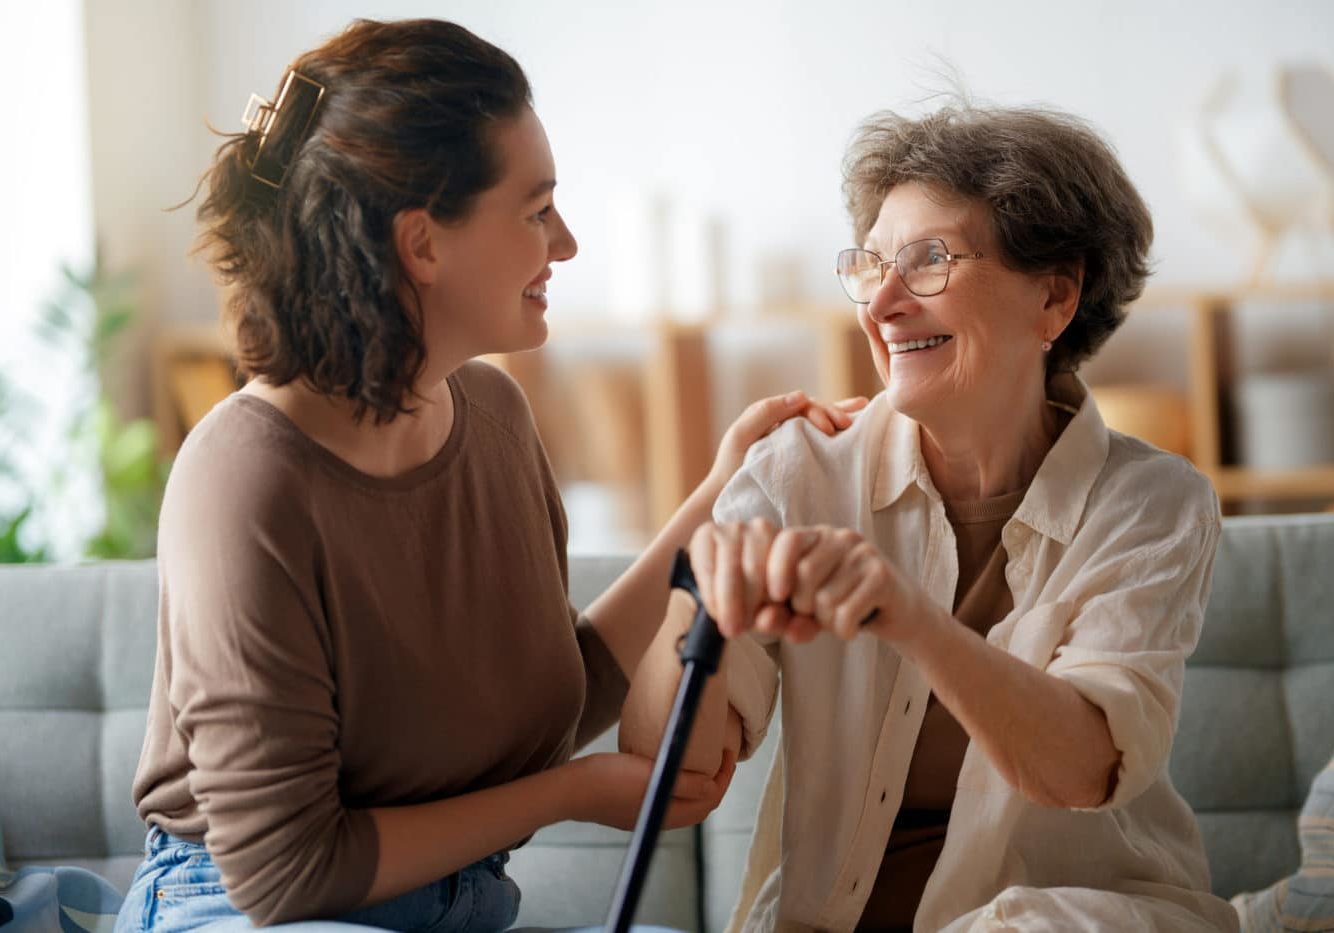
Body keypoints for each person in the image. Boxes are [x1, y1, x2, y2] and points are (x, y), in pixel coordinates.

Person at [114, 18, 863, 933]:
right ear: (423, 244)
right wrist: (571, 793)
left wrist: (723, 487)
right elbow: (286, 874)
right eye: (536, 209)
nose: (568, 243)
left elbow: (553, 694)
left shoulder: (496, 417)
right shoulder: (243, 479)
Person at [621, 102, 1240, 932]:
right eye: (870, 266)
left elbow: (1086, 766)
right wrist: (698, 596)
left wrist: (912, 619)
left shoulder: (1154, 505)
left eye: (929, 261)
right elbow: (669, 773)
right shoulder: (796, 475)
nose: (882, 303)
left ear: (1055, 298)